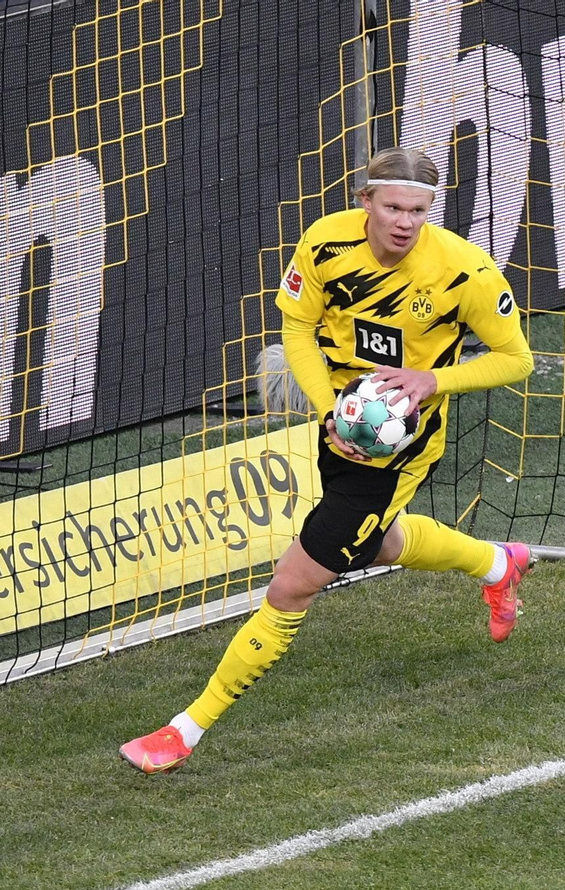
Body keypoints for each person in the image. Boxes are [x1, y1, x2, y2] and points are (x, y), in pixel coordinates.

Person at [120, 147, 536, 774]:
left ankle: (184, 731)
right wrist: (326, 411)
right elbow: (297, 331)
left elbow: (517, 359)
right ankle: (498, 564)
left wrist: (432, 380)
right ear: (365, 200)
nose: (405, 222)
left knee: (291, 586)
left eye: (419, 211)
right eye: (394, 207)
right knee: (376, 541)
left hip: (402, 448)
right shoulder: (324, 245)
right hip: (342, 425)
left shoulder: (465, 273)